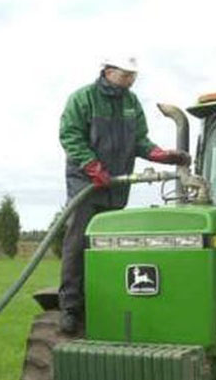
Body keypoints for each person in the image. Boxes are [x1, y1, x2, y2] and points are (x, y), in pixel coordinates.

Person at [58, 55, 190, 335]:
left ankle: (109, 303)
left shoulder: (131, 104)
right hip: (87, 184)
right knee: (78, 242)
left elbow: (140, 140)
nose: (131, 80)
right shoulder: (83, 99)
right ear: (108, 71)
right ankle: (70, 307)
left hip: (116, 185)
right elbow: (70, 135)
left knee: (112, 245)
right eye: (126, 75)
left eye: (134, 75)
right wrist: (91, 165)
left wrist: (160, 155)